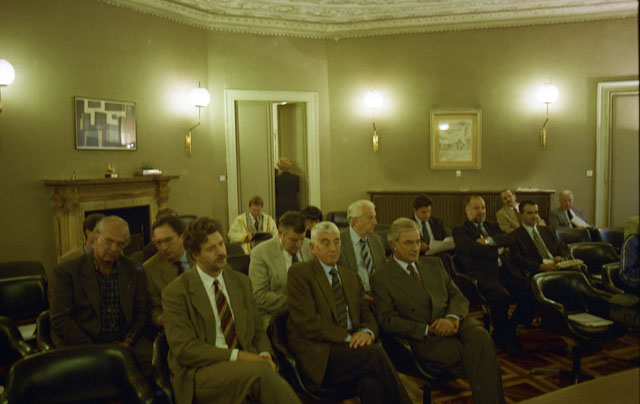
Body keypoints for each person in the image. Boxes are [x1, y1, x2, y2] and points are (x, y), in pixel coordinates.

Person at [162, 217, 300, 404]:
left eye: (221, 244)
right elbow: (186, 350)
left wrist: (265, 354)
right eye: (211, 248)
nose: (220, 252)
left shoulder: (241, 282)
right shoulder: (176, 292)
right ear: (195, 256)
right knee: (262, 374)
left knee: (264, 372)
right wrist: (240, 357)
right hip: (201, 371)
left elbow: (257, 330)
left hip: (247, 365)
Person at [371, 218, 505, 404]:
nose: (415, 248)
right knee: (482, 356)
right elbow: (387, 321)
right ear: (393, 245)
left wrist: (451, 319)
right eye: (408, 243)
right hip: (426, 337)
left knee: (482, 336)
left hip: (455, 323)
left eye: (418, 242)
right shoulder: (381, 277)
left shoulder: (434, 264)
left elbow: (458, 297)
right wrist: (428, 329)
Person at [286, 221, 411, 404]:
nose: (333, 248)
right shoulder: (299, 274)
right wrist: (349, 338)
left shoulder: (351, 277)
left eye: (337, 242)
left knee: (371, 383)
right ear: (313, 247)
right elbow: (307, 321)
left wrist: (367, 333)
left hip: (353, 352)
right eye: (325, 243)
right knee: (374, 354)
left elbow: (366, 314)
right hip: (322, 352)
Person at [49, 216, 152, 370]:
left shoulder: (134, 270)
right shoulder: (67, 271)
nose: (114, 249)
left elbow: (142, 311)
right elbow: (60, 320)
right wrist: (95, 348)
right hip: (85, 341)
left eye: (120, 244)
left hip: (124, 339)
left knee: (154, 360)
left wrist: (129, 339)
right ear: (95, 238)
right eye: (108, 241)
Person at [452, 196, 535, 356]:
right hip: (482, 276)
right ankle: (506, 338)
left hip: (504, 272)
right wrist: (497, 251)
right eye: (476, 208)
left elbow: (510, 239)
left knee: (531, 289)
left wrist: (488, 241)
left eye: (483, 208)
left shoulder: (492, 226)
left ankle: (507, 330)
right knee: (502, 296)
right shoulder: (460, 230)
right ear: (467, 210)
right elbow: (471, 249)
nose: (481, 211)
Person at [249, 211, 313, 328]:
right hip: (277, 316)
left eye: (302, 239)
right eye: (293, 240)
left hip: (309, 314)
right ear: (280, 233)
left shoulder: (309, 247)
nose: (299, 244)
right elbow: (259, 296)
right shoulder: (261, 253)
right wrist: (298, 302)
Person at [143, 215, 192, 328]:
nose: (163, 247)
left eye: (168, 240)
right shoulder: (149, 269)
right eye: (158, 242)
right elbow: (154, 308)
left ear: (182, 237)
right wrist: (161, 319)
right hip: (177, 326)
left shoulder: (200, 256)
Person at [337, 200, 386, 299]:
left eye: (374, 217)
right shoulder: (338, 241)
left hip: (379, 295)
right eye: (370, 218)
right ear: (355, 221)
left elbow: (384, 270)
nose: (375, 222)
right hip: (352, 296)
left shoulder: (376, 240)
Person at [511, 201, 572, 277]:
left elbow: (563, 248)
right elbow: (519, 260)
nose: (534, 216)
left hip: (558, 266)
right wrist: (540, 267)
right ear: (520, 215)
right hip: (538, 273)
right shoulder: (515, 236)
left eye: (536, 212)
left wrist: (561, 258)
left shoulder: (548, 230)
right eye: (530, 213)